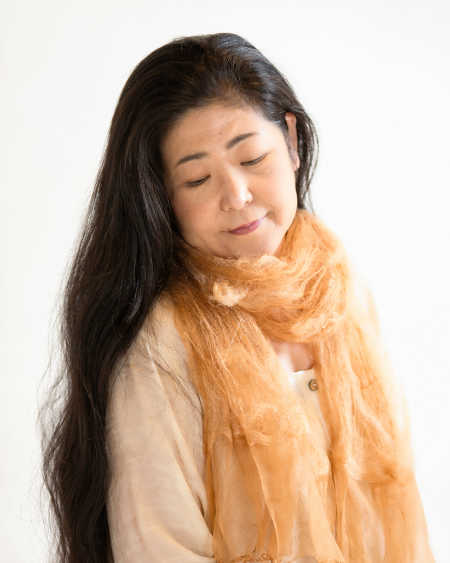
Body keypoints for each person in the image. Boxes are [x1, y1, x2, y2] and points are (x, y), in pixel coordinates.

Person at [40, 32, 435, 563]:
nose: (237, 195)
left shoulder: (340, 292)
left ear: (291, 142)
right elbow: (161, 549)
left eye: (251, 158)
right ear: (160, 197)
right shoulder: (163, 342)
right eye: (197, 179)